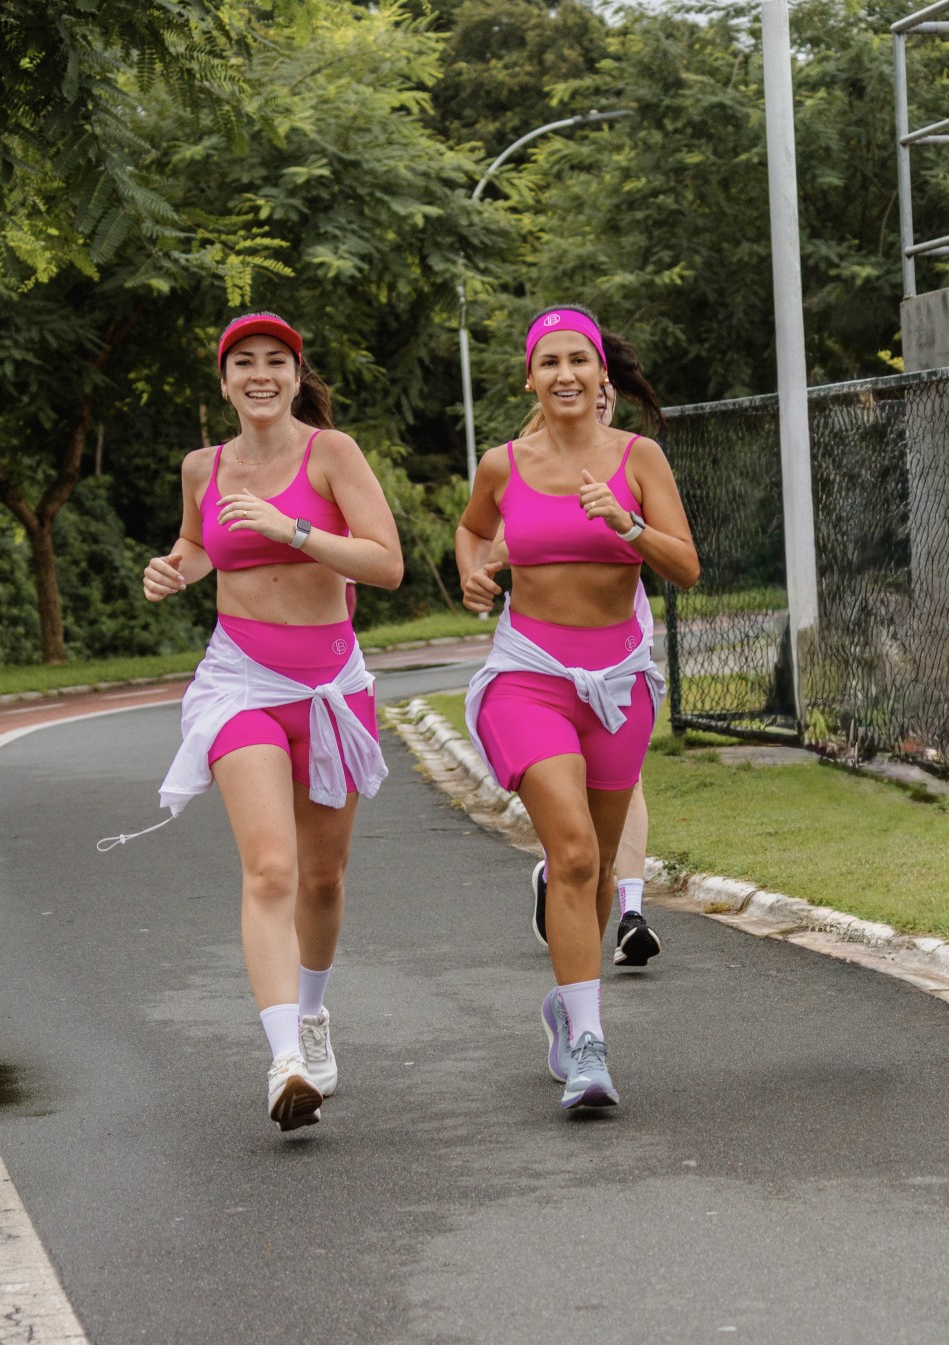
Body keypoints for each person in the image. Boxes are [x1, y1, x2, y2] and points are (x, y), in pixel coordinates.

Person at [142, 312, 403, 1131]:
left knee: (322, 877)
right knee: (269, 869)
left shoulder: (332, 453)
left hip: (330, 689)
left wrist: (292, 528)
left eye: (276, 362)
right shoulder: (203, 467)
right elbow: (199, 545)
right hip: (241, 684)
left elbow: (387, 564)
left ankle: (313, 1015)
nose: (261, 375)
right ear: (224, 382)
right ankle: (285, 1060)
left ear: (295, 376)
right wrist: (173, 568)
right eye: (244, 363)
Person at [456, 304, 698, 1112]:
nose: (565, 373)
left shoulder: (639, 458)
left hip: (618, 683)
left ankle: (568, 1004)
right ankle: (591, 1048)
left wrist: (628, 525)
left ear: (601, 376)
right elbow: (472, 529)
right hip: (528, 676)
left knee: (593, 863)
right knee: (570, 850)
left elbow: (686, 566)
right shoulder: (502, 464)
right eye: (549, 362)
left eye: (578, 360)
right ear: (530, 378)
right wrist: (473, 572)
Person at [519, 358, 666, 970]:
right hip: (545, 662)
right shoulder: (524, 465)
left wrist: (629, 524)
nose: (595, 401)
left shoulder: (635, 461)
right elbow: (491, 540)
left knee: (626, 785)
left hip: (623, 647)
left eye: (604, 394)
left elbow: (678, 552)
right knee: (571, 813)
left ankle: (630, 910)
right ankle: (559, 869)